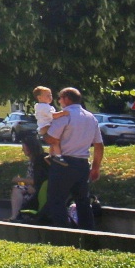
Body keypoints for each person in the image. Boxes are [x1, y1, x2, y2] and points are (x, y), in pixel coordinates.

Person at [42, 87, 103, 227]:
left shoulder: (65, 115)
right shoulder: (91, 117)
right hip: (82, 164)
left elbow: (51, 138)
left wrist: (43, 133)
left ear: (67, 99)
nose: (59, 101)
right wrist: (95, 168)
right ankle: (89, 235)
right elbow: (99, 145)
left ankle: (64, 235)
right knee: (83, 201)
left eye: (60, 98)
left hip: (63, 163)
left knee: (57, 200)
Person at [8, 132, 48, 220]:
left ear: (30, 148)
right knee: (17, 189)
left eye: (24, 147)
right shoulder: (33, 160)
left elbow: (37, 180)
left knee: (17, 189)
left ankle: (15, 216)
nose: (22, 150)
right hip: (32, 186)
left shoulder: (40, 160)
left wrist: (19, 179)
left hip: (39, 188)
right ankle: (17, 215)